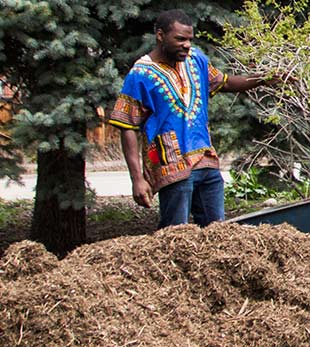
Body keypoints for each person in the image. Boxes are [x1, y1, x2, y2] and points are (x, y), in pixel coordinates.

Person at [109, 9, 280, 228]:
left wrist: (264, 78)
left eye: (189, 39)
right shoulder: (140, 74)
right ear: (160, 36)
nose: (186, 45)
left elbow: (225, 82)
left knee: (217, 232)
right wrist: (137, 179)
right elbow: (127, 125)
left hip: (206, 160)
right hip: (172, 165)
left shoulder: (196, 59)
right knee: (175, 234)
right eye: (180, 39)